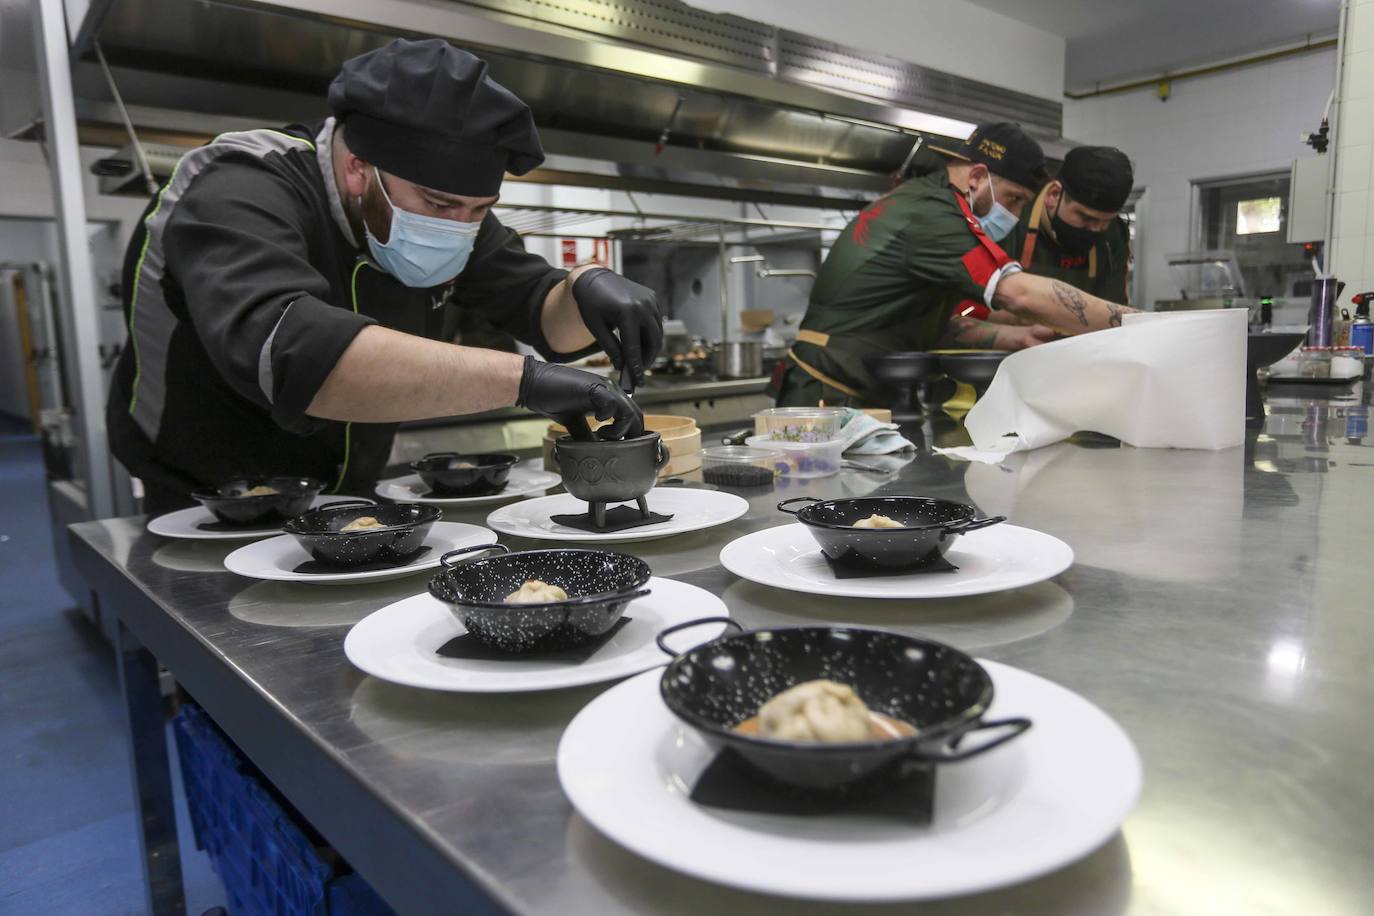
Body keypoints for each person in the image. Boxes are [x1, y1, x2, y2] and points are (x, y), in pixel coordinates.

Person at [106, 39, 661, 516]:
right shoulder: (240, 187)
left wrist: (585, 289)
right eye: (439, 204)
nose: (459, 228)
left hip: (347, 495)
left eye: (478, 209)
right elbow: (296, 357)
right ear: (357, 169)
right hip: (207, 499)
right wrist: (524, 381)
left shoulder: (455, 218)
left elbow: (545, 313)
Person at [771, 123, 1137, 408]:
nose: (1015, 213)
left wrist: (1018, 337)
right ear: (976, 177)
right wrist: (1140, 322)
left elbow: (935, 325)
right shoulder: (932, 215)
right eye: (1013, 198)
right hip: (825, 392)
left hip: (863, 392)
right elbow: (1019, 294)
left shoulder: (936, 206)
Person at [1016, 145, 1134, 302]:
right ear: (1054, 195)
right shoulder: (1014, 214)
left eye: (1107, 221)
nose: (1097, 229)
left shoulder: (1113, 237)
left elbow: (1113, 308)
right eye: (1087, 218)